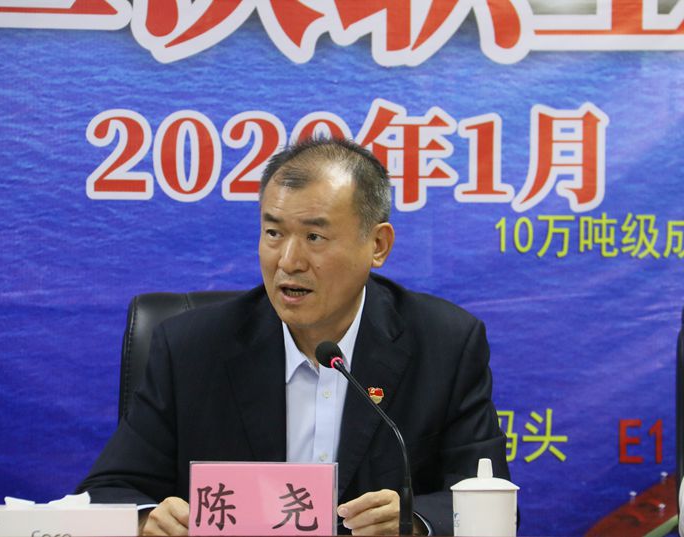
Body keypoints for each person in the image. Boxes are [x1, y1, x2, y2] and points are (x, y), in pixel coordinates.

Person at [77, 138, 510, 535]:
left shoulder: (445, 344)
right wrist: (147, 519)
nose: (288, 260)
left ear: (377, 245)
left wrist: (413, 523)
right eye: (274, 233)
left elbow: (488, 499)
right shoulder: (191, 349)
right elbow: (108, 491)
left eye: (314, 237)